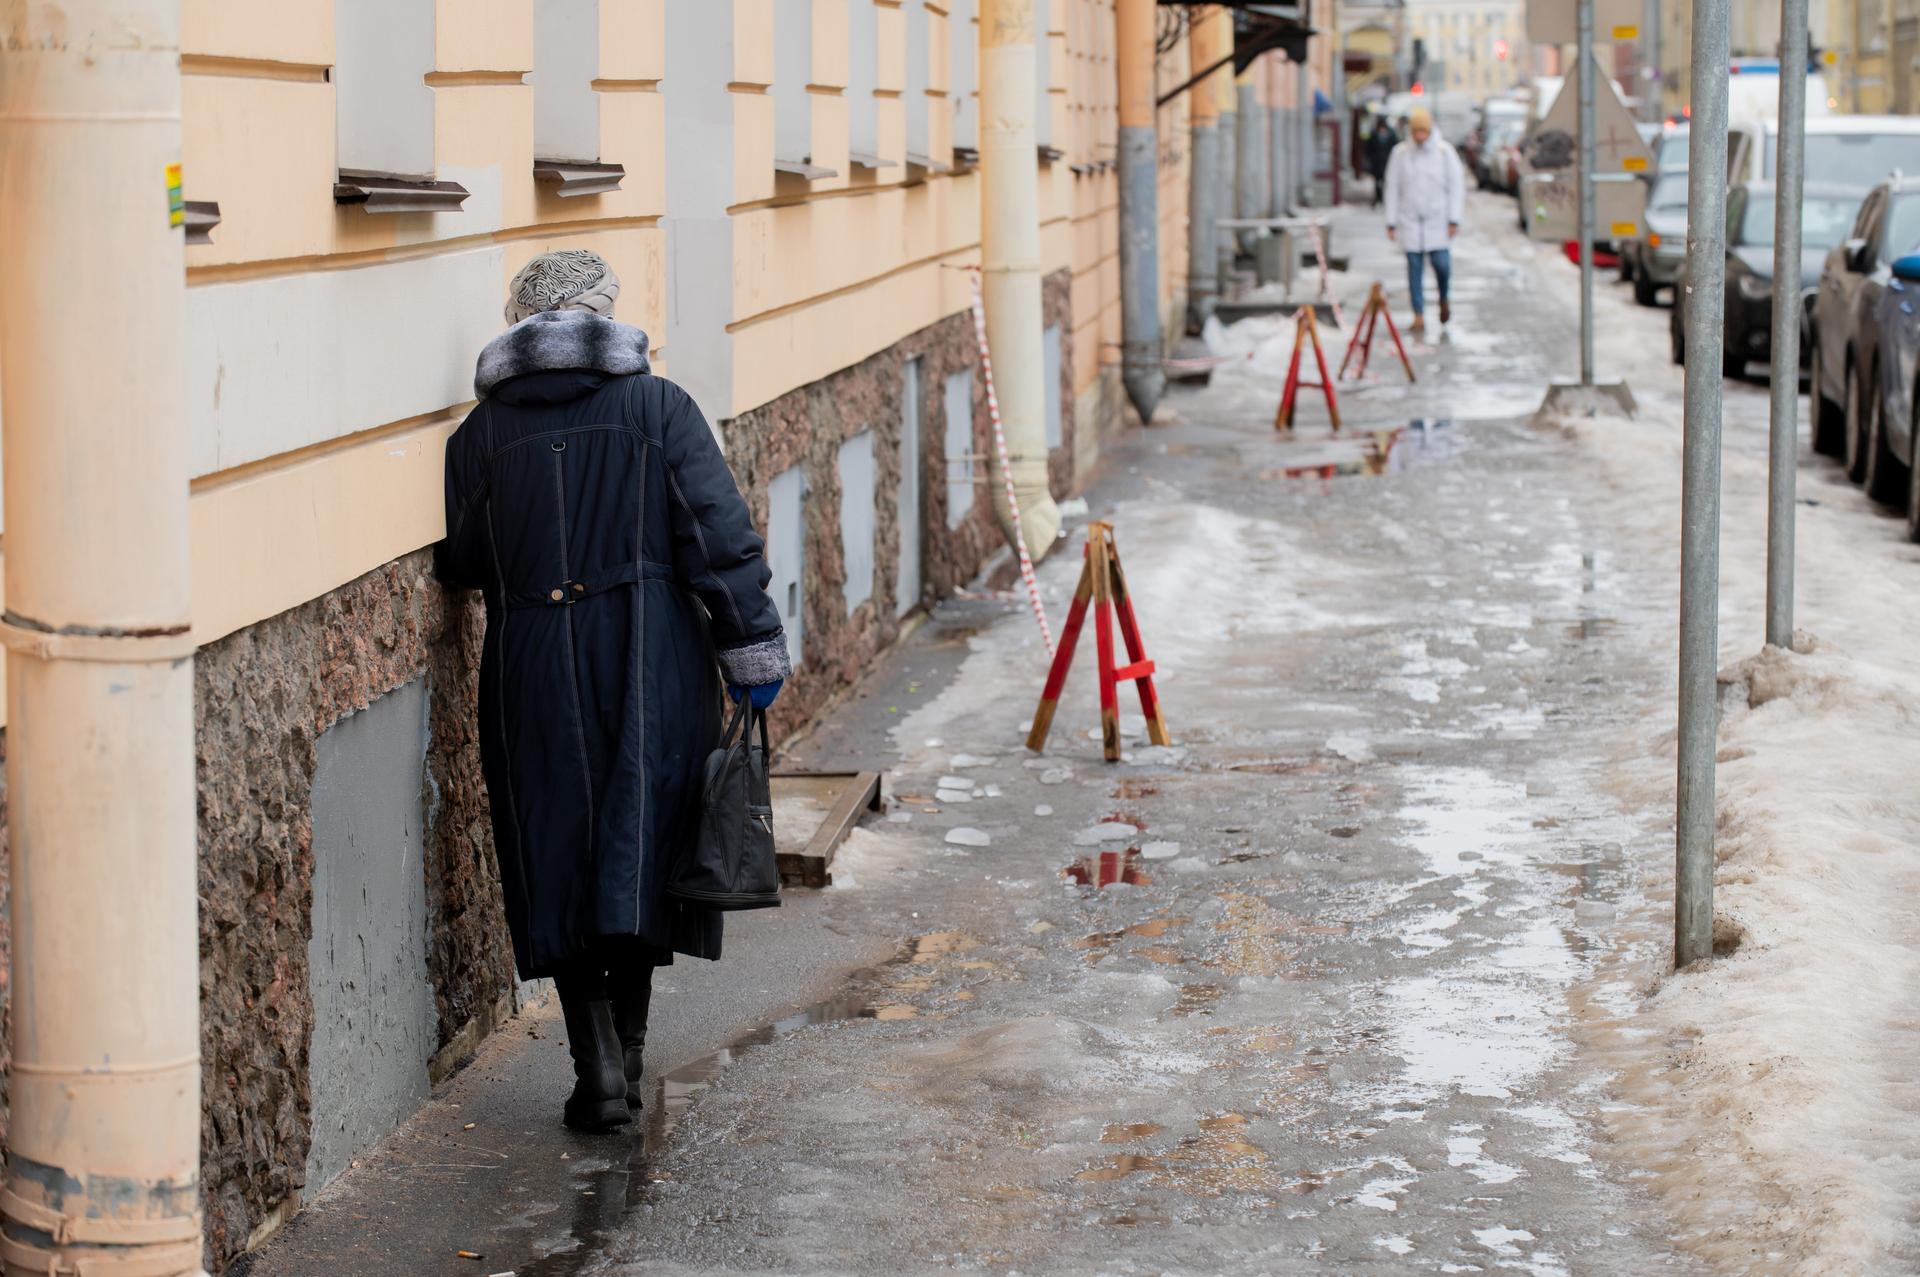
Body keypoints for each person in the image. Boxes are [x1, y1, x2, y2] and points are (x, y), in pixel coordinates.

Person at [437, 250, 791, 1133]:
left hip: (529, 664)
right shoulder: (658, 408)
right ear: (600, 318)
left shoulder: (478, 435)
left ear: (522, 325)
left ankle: (596, 1066)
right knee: (640, 849)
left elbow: (469, 559)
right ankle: (625, 1059)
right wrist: (751, 649)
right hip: (651, 659)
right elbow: (718, 538)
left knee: (554, 850)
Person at [1383, 106, 1465, 333]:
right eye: (1416, 132)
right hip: (1410, 221)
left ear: (1429, 131)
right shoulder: (1400, 154)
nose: (1419, 137)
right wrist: (1391, 222)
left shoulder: (1444, 152)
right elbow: (1392, 188)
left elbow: (1456, 187)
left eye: (1423, 132)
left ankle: (1444, 299)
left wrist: (1454, 219)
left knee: (1442, 266)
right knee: (1414, 270)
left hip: (1438, 221)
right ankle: (1418, 314)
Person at [1364, 115, 1399, 209]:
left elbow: (1396, 148)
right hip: (1377, 163)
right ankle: (1378, 199)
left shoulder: (1391, 134)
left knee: (1386, 182)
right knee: (1377, 182)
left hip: (1388, 163)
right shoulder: (1374, 133)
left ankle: (1384, 199)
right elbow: (1368, 148)